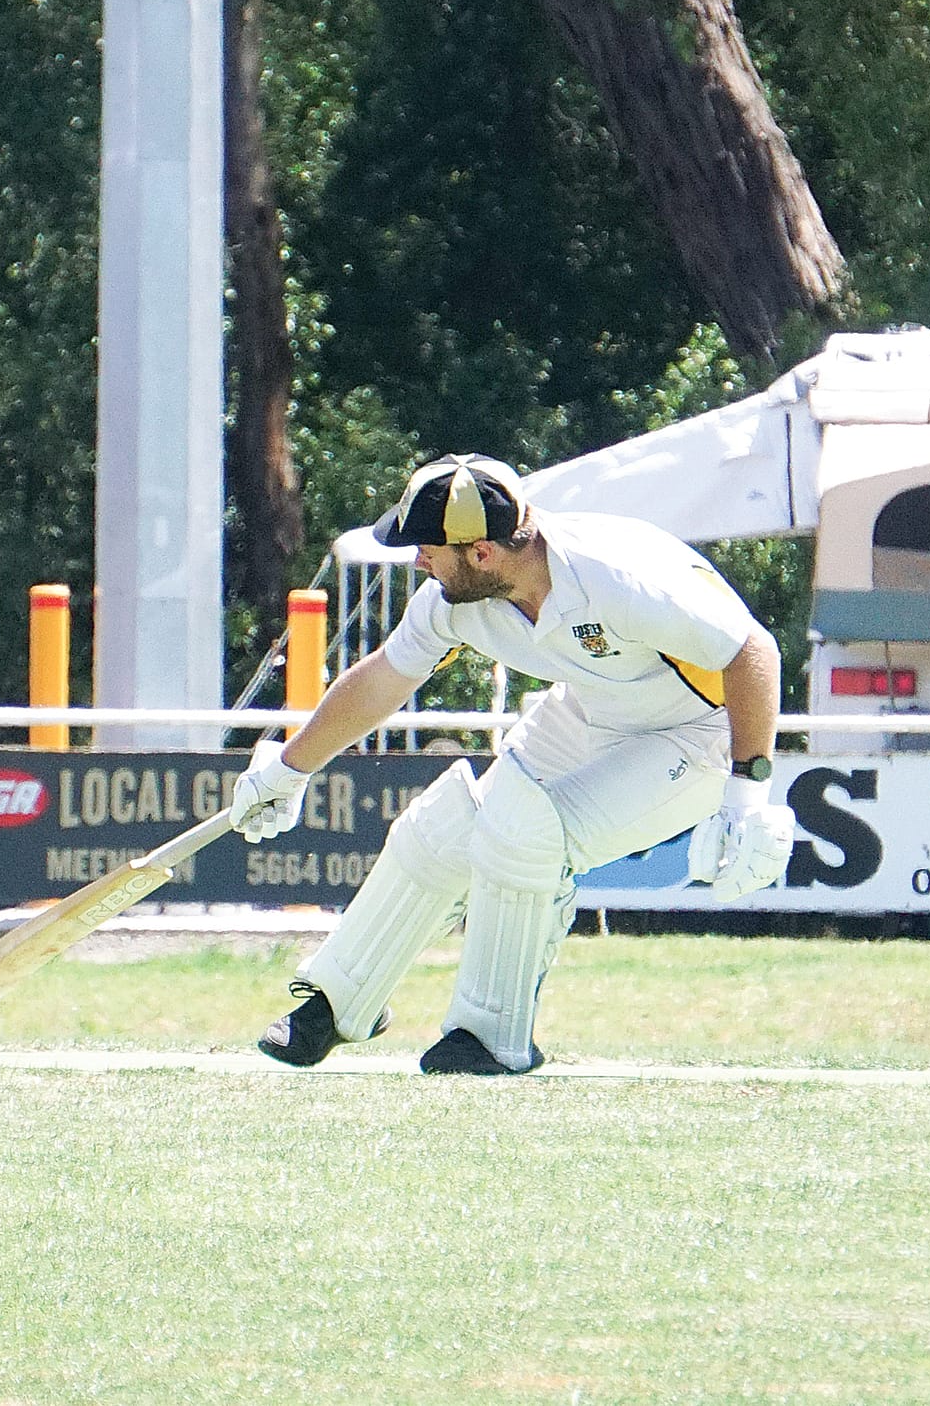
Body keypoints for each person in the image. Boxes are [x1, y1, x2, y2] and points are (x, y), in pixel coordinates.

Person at [231, 454, 794, 1074]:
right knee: (444, 828)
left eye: (427, 547)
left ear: (481, 554)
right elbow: (384, 679)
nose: (418, 559)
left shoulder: (615, 575)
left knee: (524, 834)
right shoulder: (456, 599)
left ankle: (490, 1038)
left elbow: (752, 650)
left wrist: (749, 796)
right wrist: (290, 768)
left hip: (696, 731)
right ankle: (336, 1003)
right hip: (591, 706)